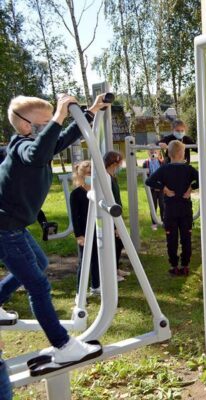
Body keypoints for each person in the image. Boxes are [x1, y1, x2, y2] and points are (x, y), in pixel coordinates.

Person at [0, 93, 108, 376]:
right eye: (45, 123)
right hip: (5, 229)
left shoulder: (36, 145)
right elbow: (38, 151)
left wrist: (89, 112)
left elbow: (60, 140)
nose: (51, 127)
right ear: (26, 125)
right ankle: (62, 345)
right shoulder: (23, 147)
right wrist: (59, 116)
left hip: (13, 226)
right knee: (39, 286)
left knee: (41, 264)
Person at [145, 140, 199, 277]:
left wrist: (164, 188)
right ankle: (184, 265)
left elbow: (149, 181)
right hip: (183, 210)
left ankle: (175, 265)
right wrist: (191, 188)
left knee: (172, 239)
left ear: (169, 153)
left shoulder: (167, 169)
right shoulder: (187, 169)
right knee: (185, 237)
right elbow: (203, 179)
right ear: (182, 154)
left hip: (172, 210)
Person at [69, 161, 100, 296]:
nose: (90, 175)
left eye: (92, 173)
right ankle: (79, 292)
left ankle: (96, 286)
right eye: (87, 173)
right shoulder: (76, 194)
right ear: (81, 175)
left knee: (97, 259)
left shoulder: (98, 191)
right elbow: (75, 217)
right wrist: (79, 235)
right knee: (84, 261)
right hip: (84, 232)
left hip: (98, 229)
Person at [103, 151, 128, 281]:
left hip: (117, 214)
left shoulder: (112, 176)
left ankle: (116, 268)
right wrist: (114, 224)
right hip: (111, 215)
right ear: (114, 163)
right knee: (115, 243)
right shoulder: (106, 177)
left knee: (119, 243)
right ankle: (112, 272)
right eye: (120, 163)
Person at [143, 149, 165, 230]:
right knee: (153, 205)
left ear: (158, 152)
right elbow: (146, 177)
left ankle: (163, 222)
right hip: (151, 188)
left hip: (161, 187)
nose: (153, 154)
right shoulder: (146, 163)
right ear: (148, 153)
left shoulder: (162, 163)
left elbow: (164, 175)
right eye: (151, 152)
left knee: (162, 205)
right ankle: (154, 223)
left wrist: (160, 186)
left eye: (155, 152)